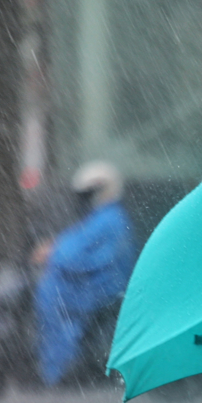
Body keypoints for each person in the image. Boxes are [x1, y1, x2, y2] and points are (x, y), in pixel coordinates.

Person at [33, 161, 136, 386]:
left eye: (88, 194)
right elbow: (77, 243)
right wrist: (56, 248)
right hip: (100, 284)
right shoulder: (107, 217)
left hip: (99, 287)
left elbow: (76, 255)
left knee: (53, 302)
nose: (84, 200)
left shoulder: (108, 219)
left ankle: (57, 367)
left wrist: (53, 253)